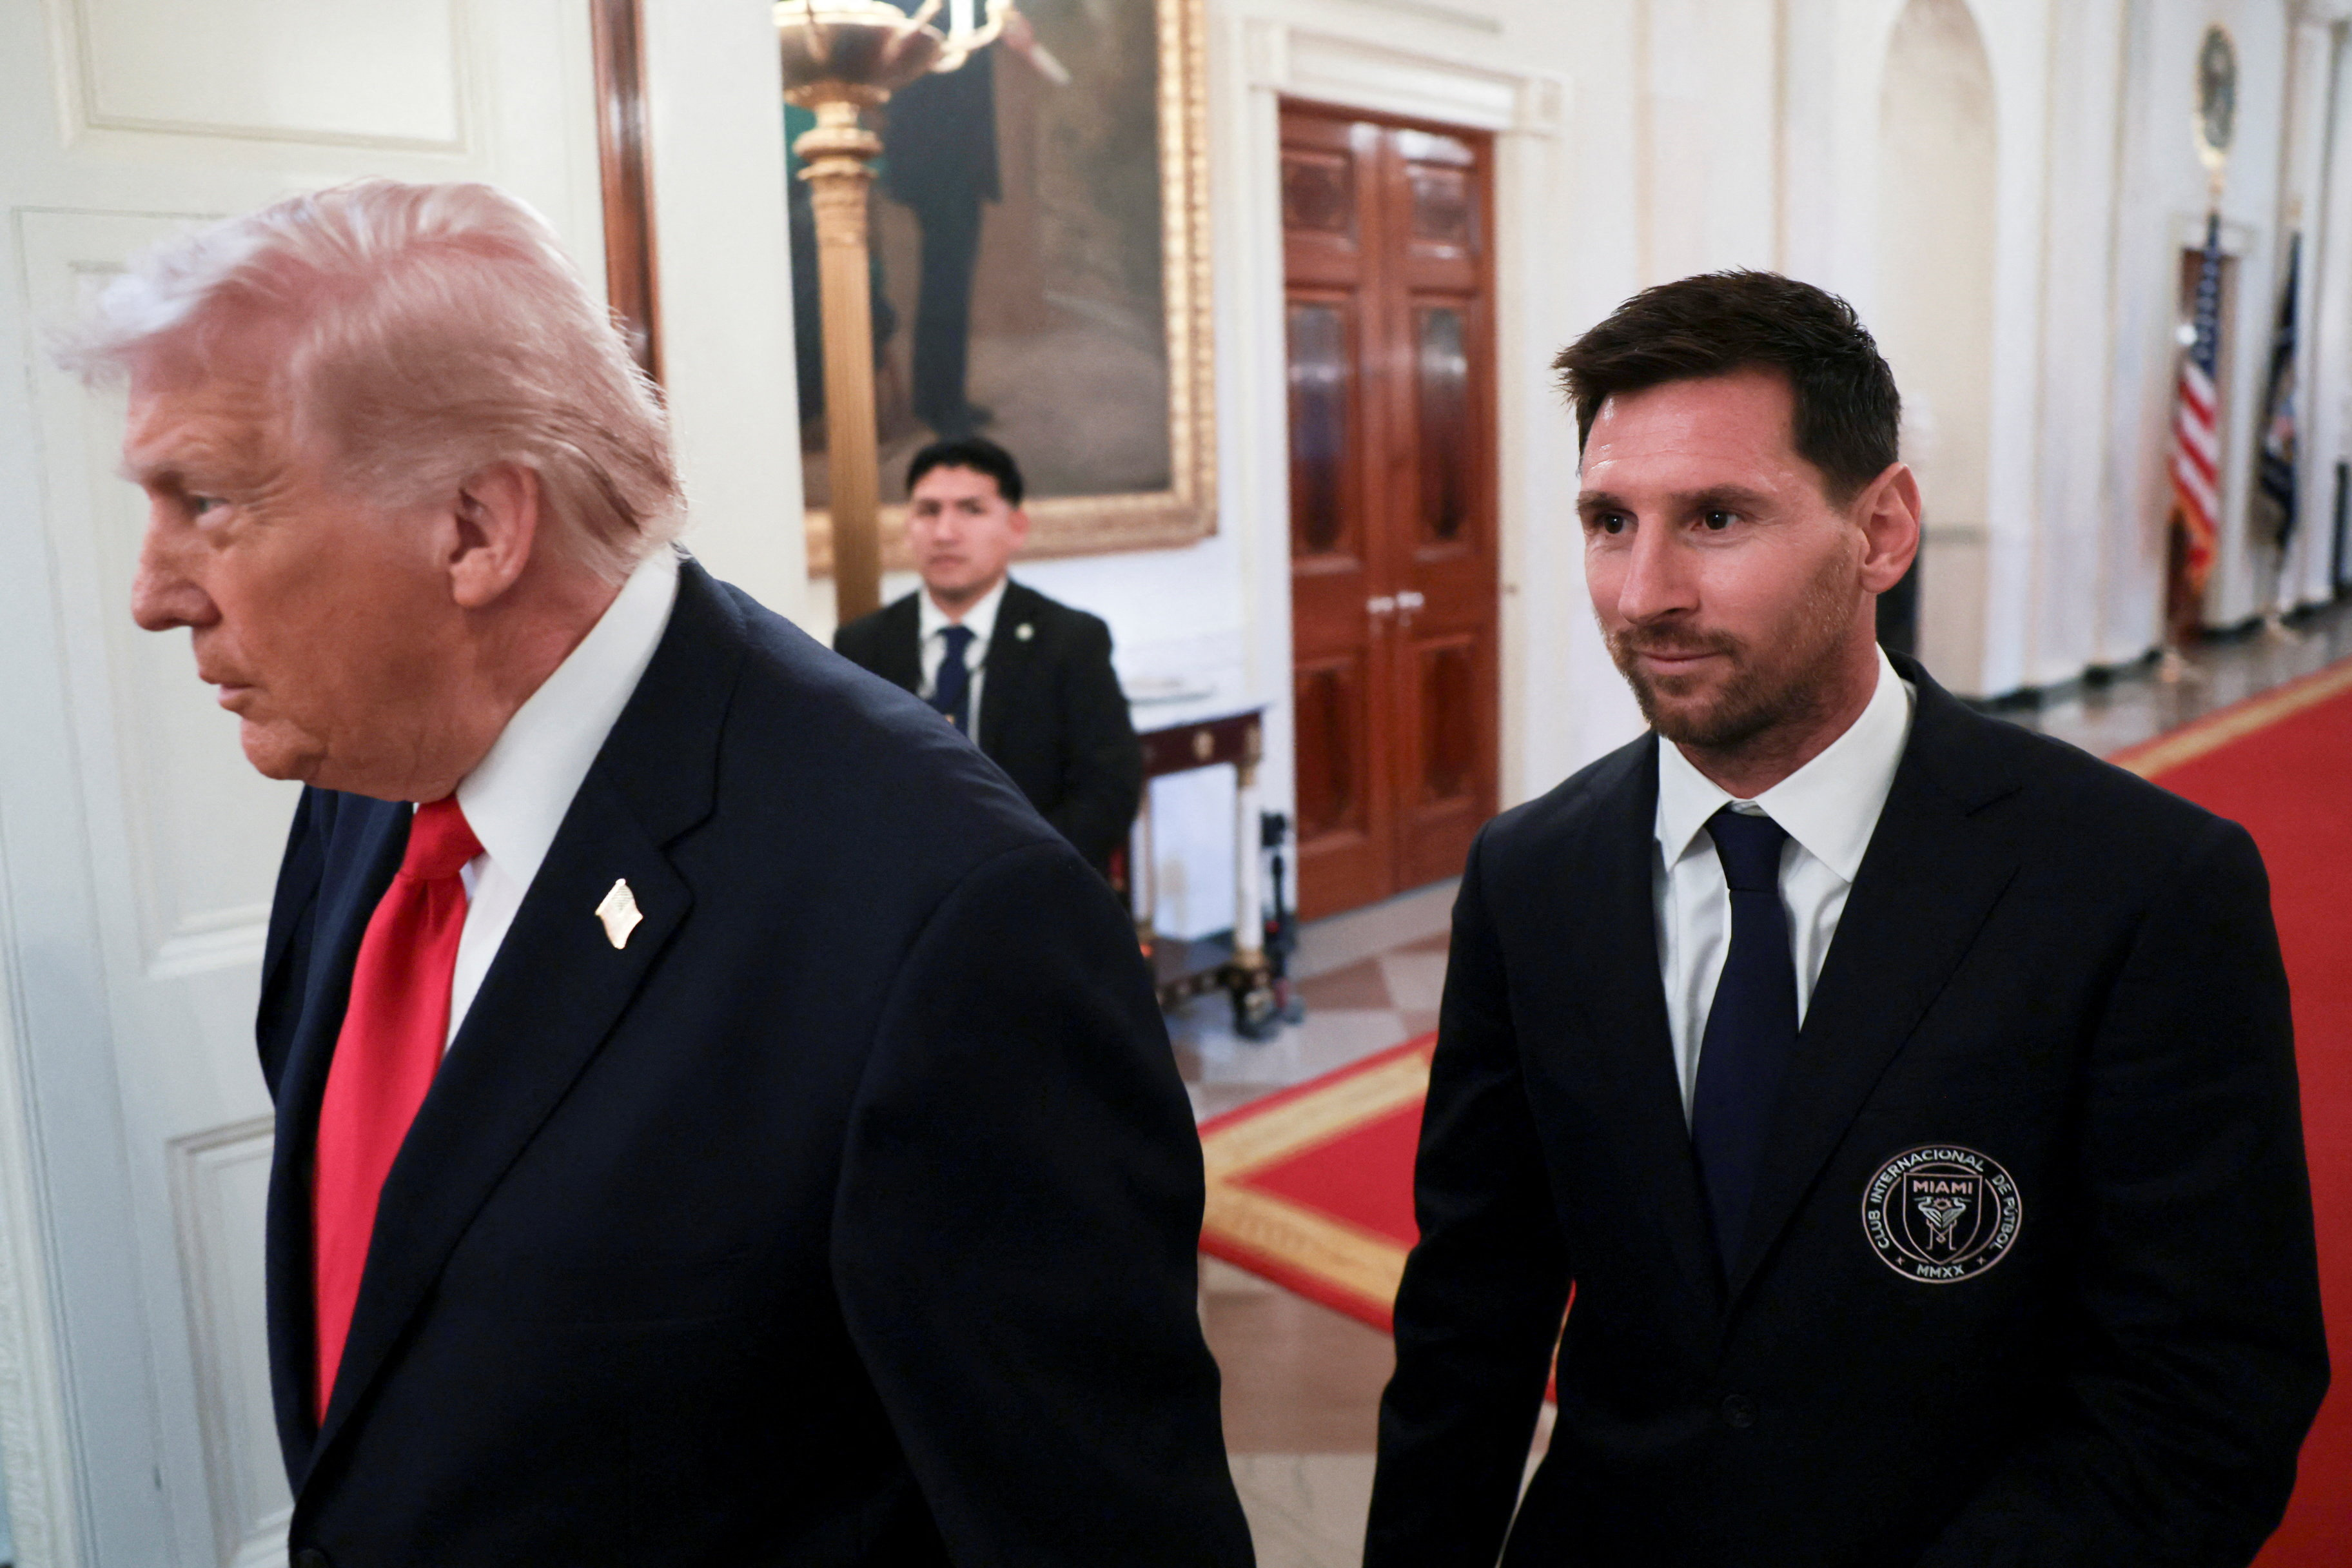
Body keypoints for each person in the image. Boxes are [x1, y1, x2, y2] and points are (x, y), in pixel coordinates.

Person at [64, 179, 1251, 1568]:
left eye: (207, 501)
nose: (153, 591)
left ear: (473, 530)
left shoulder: (948, 919)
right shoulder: (365, 776)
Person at [1366, 271, 2327, 1567]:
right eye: (1608, 520)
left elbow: (2205, 1389)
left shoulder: (2142, 883)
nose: (1643, 592)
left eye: (1715, 517)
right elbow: (1470, 1324)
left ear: (1881, 530)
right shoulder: (1532, 876)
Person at [834, 436, 1144, 875]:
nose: (945, 532)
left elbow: (1109, 792)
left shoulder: (1071, 641)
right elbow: (847, 788)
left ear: (1016, 527)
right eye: (928, 511)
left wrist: (1018, 870)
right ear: (908, 526)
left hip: (1033, 886)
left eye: (971, 510)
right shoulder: (863, 645)